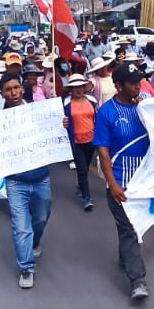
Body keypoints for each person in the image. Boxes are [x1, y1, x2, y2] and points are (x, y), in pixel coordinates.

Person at [0, 73, 55, 289]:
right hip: (16, 182)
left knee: (41, 217)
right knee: (21, 228)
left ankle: (35, 241)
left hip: (41, 177)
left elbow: (52, 137)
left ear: (22, 89)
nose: (13, 93)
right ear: (1, 93)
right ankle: (26, 268)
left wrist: (60, 124)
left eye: (16, 88)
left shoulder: (38, 112)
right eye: (8, 89)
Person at [95, 63, 150, 303]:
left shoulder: (147, 105)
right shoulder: (107, 113)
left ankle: (125, 258)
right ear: (118, 86)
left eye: (139, 81)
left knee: (128, 228)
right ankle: (137, 280)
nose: (139, 85)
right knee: (131, 229)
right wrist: (113, 184)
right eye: (133, 82)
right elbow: (104, 153)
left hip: (144, 182)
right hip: (121, 185)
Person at [62, 74, 98, 210]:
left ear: (84, 87)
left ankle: (81, 186)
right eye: (75, 87)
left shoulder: (92, 100)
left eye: (80, 86)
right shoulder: (66, 103)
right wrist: (63, 122)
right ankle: (87, 198)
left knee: (86, 167)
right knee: (82, 170)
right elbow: (60, 121)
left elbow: (97, 117)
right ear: (71, 89)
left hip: (91, 140)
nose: (78, 89)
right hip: (76, 142)